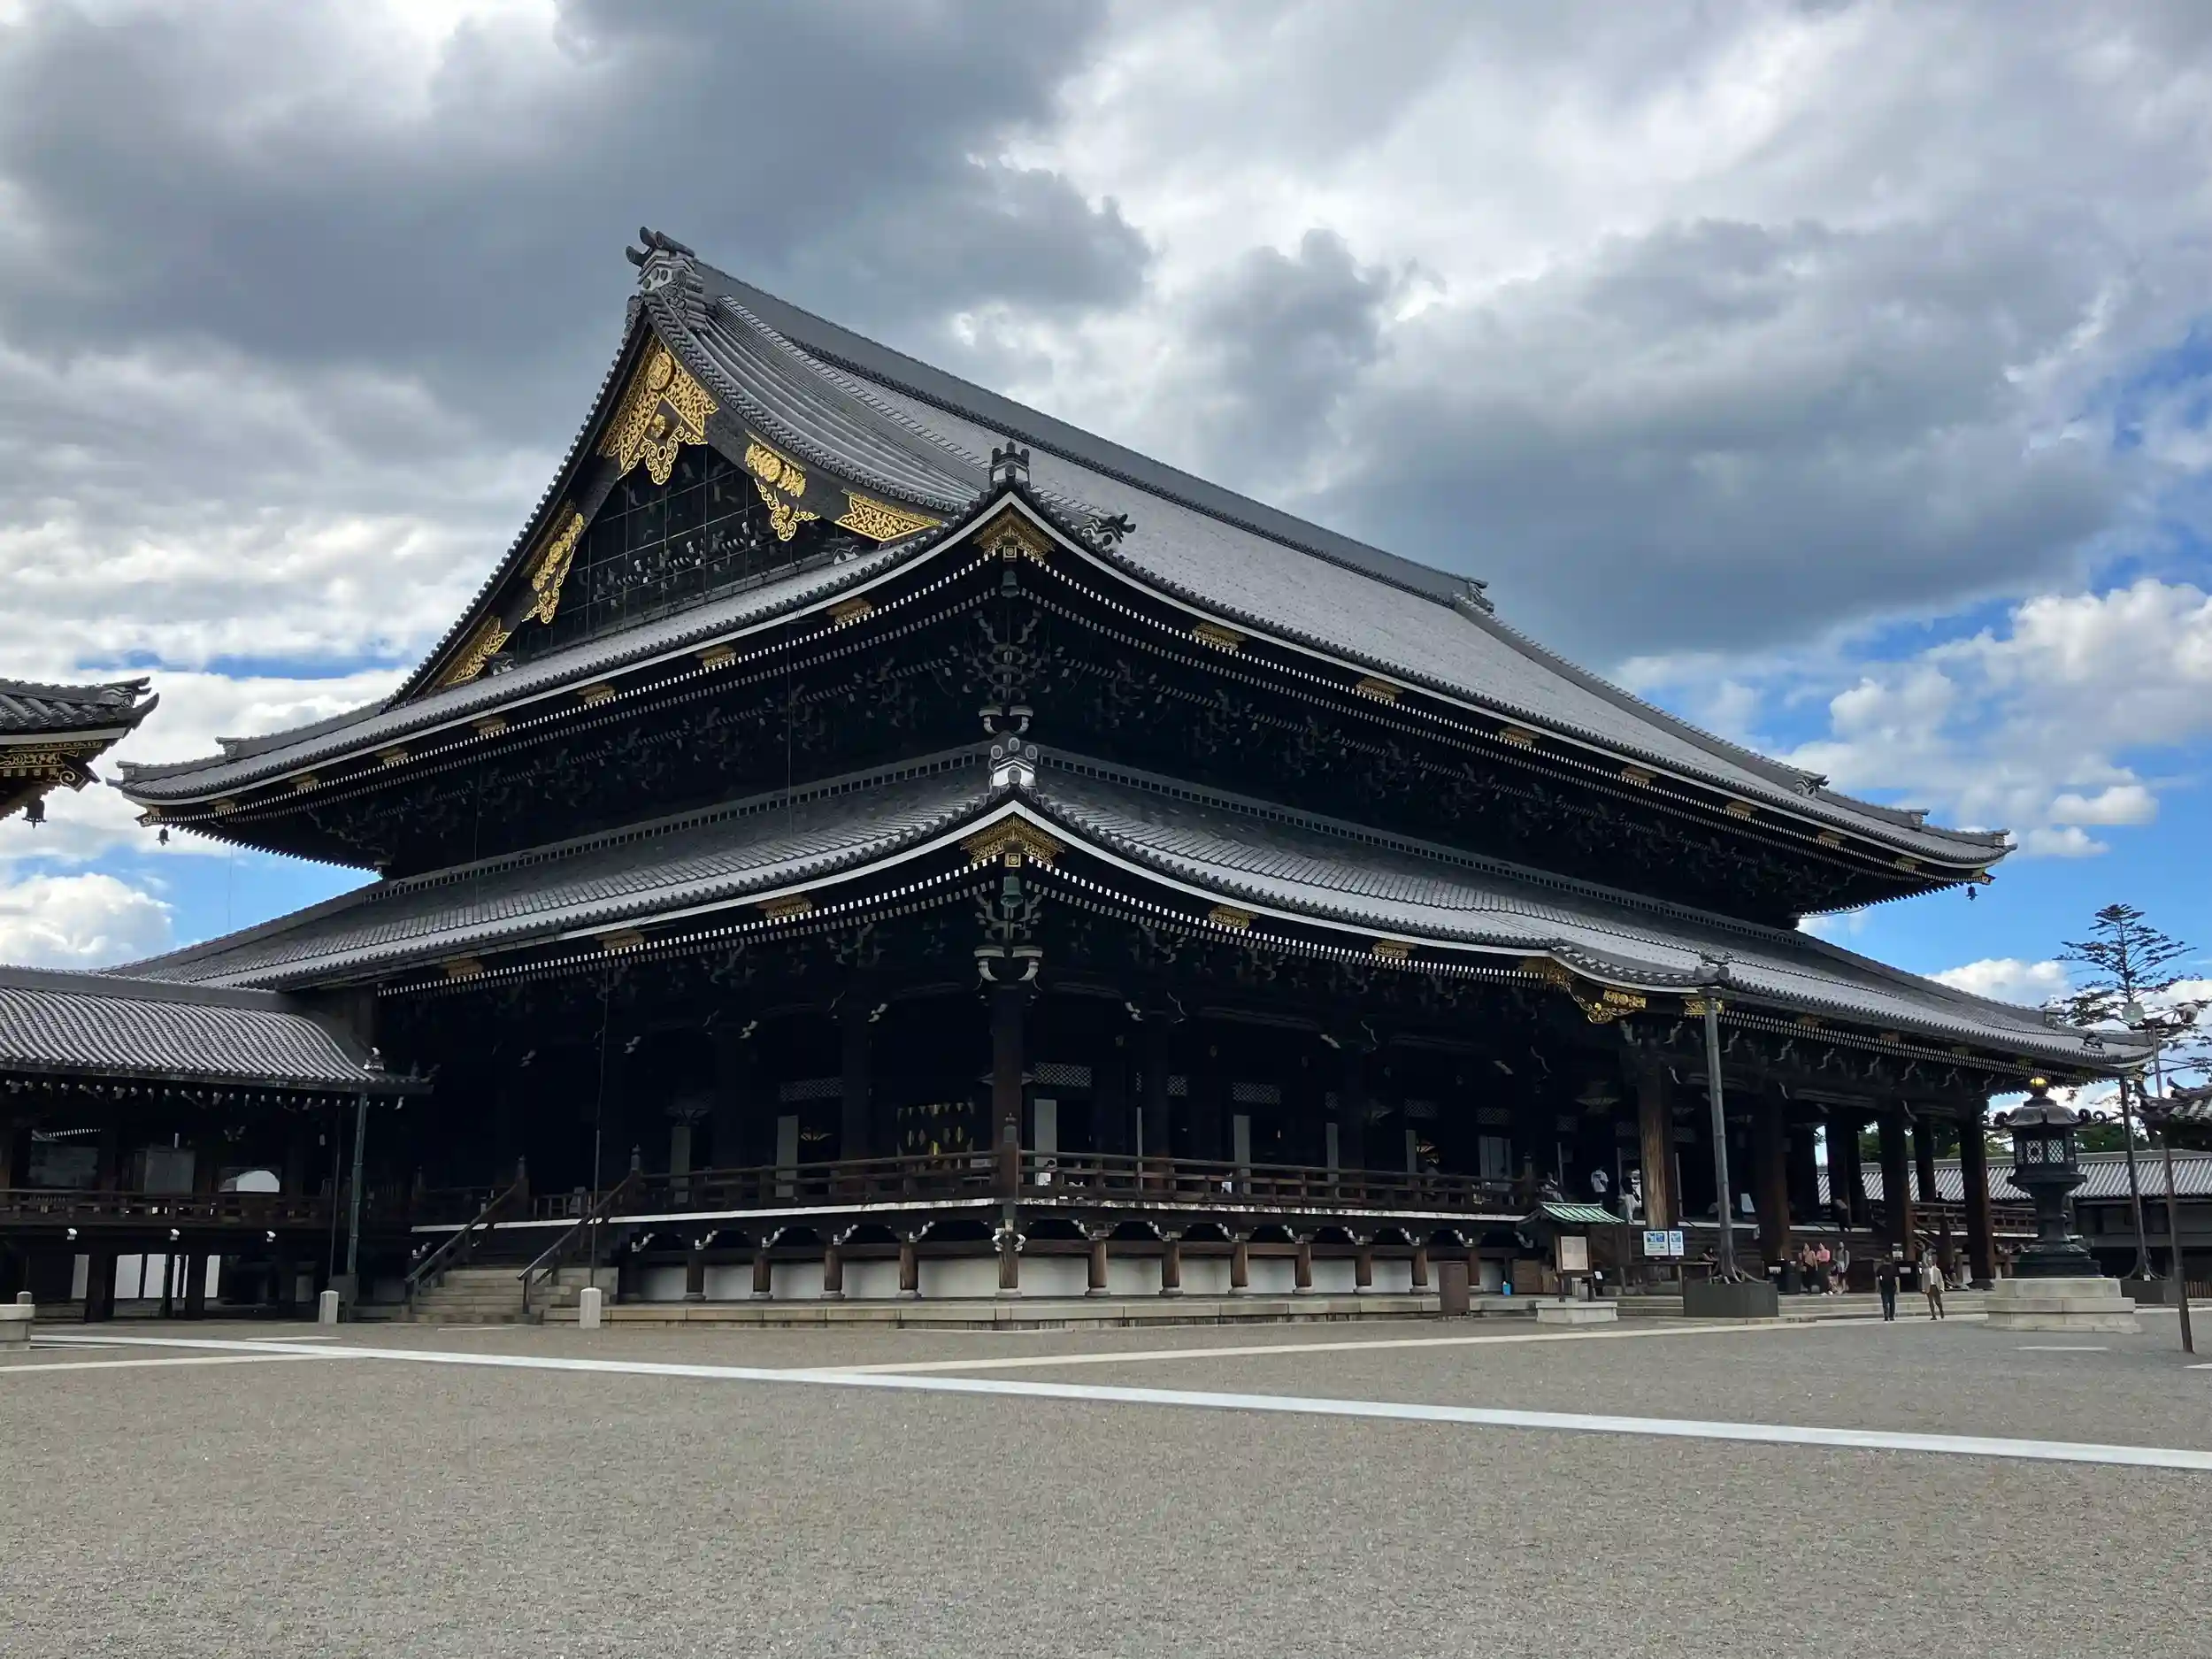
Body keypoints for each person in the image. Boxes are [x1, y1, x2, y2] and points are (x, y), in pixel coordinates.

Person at [1922, 1253, 1947, 1319]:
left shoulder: (1937, 1270)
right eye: (1928, 1261)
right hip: (1929, 1287)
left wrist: (1942, 1288)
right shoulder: (1925, 1271)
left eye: (1930, 1261)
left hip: (1935, 1287)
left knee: (1938, 1302)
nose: (1929, 1262)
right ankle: (1934, 1316)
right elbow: (1923, 1280)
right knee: (1931, 1302)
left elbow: (1940, 1280)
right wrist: (1923, 1288)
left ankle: (1941, 1311)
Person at [1876, 1252, 1899, 1321]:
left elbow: (1877, 1279)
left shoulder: (1880, 1268)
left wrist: (1877, 1287)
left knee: (1885, 1302)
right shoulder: (1893, 1268)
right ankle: (1891, 1316)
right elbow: (1897, 1279)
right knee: (1892, 1302)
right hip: (1892, 1286)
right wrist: (1898, 1288)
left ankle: (1886, 1315)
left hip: (1884, 1286)